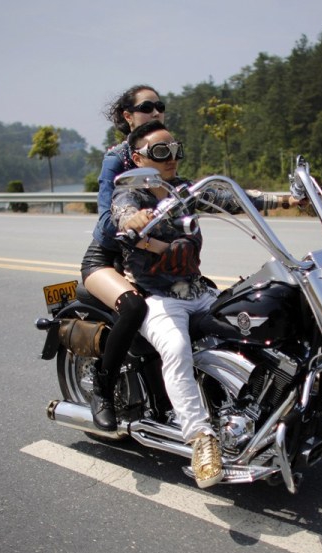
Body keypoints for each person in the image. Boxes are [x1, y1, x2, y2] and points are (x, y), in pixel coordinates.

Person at [111, 121, 293, 488]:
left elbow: (237, 198)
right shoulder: (131, 193)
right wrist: (135, 219)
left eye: (176, 150)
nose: (172, 159)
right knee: (176, 349)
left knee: (256, 321)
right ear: (137, 159)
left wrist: (290, 199)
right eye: (161, 152)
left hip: (197, 292)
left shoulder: (182, 192)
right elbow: (122, 214)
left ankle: (260, 410)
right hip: (159, 298)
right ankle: (201, 440)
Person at [78, 84, 166, 431]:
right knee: (133, 308)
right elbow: (104, 221)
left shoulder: (161, 150)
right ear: (128, 117)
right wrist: (131, 223)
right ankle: (103, 387)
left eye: (160, 106)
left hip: (149, 256)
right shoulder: (118, 158)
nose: (156, 112)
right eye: (147, 108)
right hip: (109, 257)